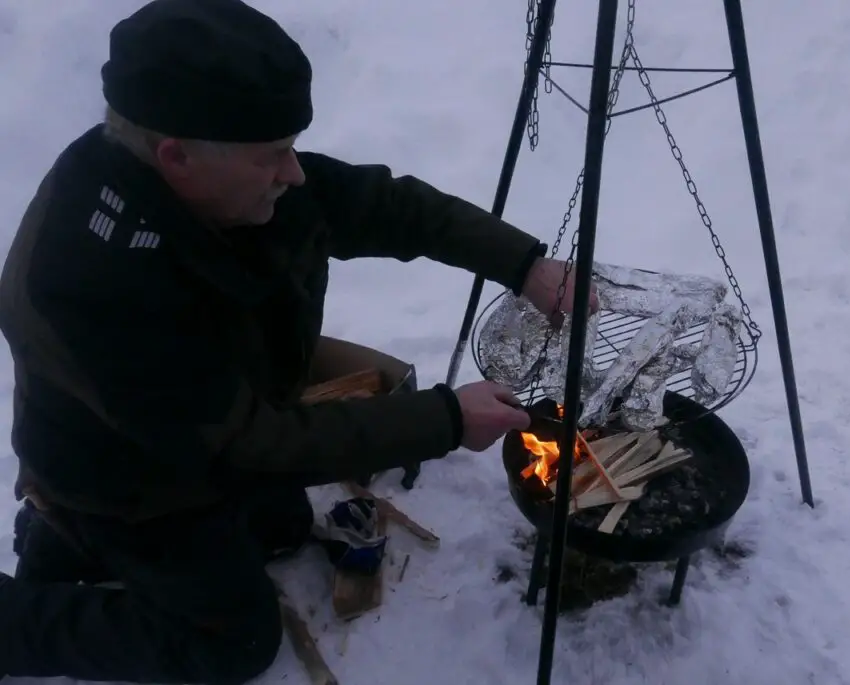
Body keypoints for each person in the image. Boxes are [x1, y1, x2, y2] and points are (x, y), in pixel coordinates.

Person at [0, 0, 598, 681]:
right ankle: (27, 609)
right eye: (275, 155)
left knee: (281, 526)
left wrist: (523, 265)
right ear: (177, 157)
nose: (296, 174)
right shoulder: (90, 286)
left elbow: (383, 206)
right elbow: (252, 447)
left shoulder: (219, 170)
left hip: (207, 425)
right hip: (123, 479)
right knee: (236, 639)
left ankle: (75, 544)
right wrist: (446, 419)